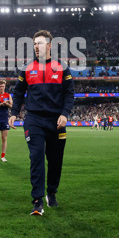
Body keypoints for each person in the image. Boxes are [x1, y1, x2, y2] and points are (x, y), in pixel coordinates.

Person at [9, 30, 74, 216]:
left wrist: (65, 114)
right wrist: (14, 113)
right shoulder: (27, 68)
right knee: (36, 157)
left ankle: (51, 192)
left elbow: (69, 93)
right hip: (34, 119)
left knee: (55, 160)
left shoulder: (62, 68)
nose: (37, 46)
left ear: (50, 46)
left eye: (40, 43)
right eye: (35, 44)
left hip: (57, 121)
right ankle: (37, 201)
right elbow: (19, 92)